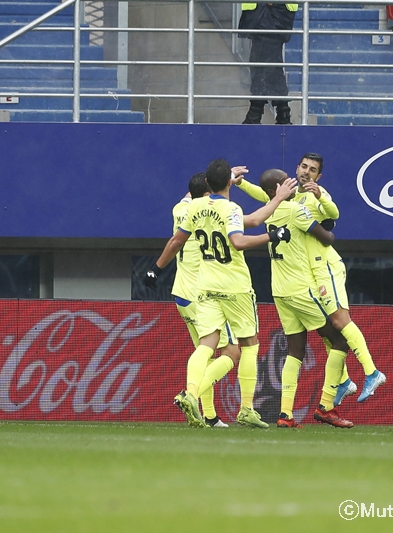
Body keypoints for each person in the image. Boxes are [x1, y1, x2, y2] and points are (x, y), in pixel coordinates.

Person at [145, 159, 296, 429]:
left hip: (204, 287)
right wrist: (272, 234)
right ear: (230, 182)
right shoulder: (231, 208)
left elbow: (177, 240)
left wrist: (156, 268)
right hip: (234, 286)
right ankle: (246, 409)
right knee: (249, 344)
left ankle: (191, 393)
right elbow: (240, 238)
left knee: (206, 345)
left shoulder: (194, 206)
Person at [234, 152, 386, 405]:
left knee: (339, 320)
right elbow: (265, 196)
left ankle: (372, 372)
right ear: (296, 168)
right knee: (329, 332)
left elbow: (333, 214)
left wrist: (321, 197)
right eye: (303, 167)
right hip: (311, 271)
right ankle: (343, 380)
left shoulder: (314, 195)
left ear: (318, 176)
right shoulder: (288, 198)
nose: (306, 172)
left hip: (326, 265)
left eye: (312, 169)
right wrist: (240, 184)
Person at [256, 168, 354, 429]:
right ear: (274, 190)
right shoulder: (294, 210)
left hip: (279, 290)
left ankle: (285, 414)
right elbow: (327, 238)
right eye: (283, 181)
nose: (290, 182)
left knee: (295, 350)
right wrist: (327, 225)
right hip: (301, 289)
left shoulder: (268, 210)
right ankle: (326, 406)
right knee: (339, 340)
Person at [168, 172, 242, 428]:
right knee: (231, 353)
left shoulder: (180, 209)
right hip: (203, 295)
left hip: (182, 295)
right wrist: (227, 180)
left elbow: (191, 193)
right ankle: (191, 395)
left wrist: (225, 177)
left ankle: (209, 416)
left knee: (205, 354)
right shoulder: (211, 214)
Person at [238, 3, 297, 125]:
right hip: (265, 10)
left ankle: (256, 112)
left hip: (273, 10)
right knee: (268, 61)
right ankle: (282, 112)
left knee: (262, 61)